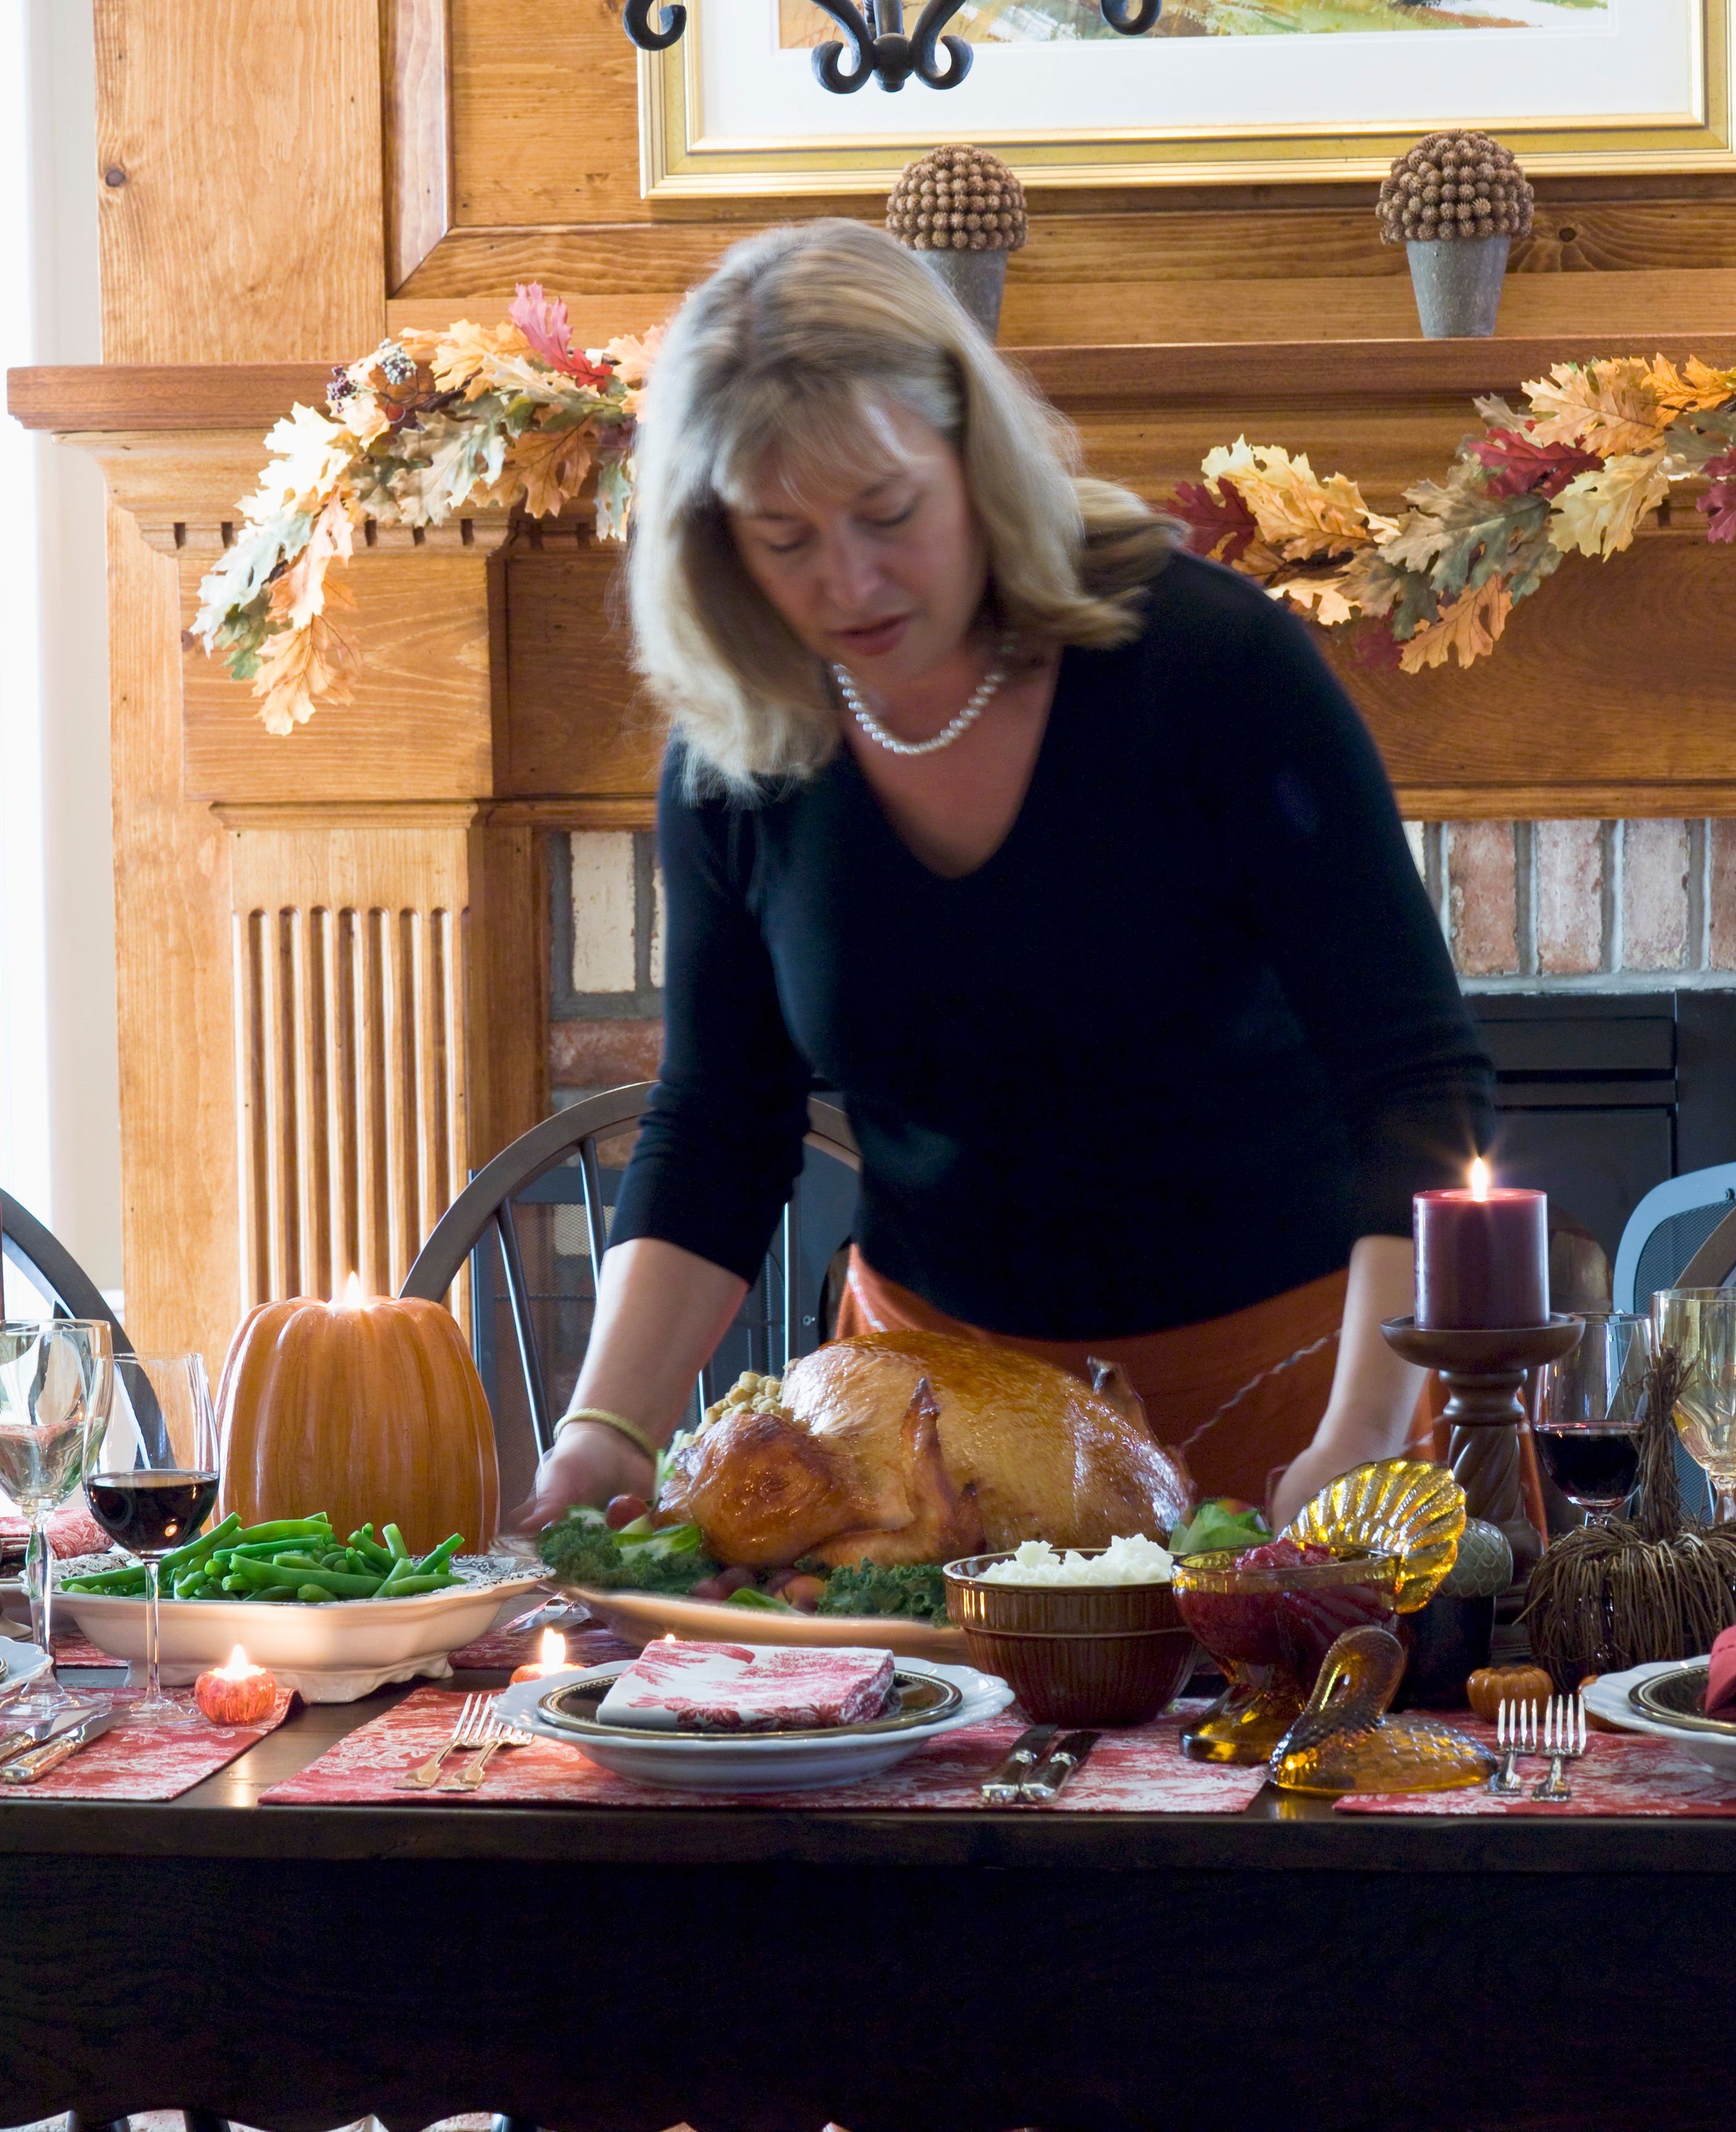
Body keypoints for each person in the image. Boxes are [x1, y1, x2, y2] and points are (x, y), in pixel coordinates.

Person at [515, 217, 1495, 1535]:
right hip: (924, 1442)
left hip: (1302, 1397)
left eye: (887, 512)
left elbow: (1417, 1084)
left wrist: (1364, 1440)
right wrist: (603, 1430)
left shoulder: (1213, 668)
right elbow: (717, 1127)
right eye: (782, 537)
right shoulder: (737, 756)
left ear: (975, 459)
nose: (848, 579)